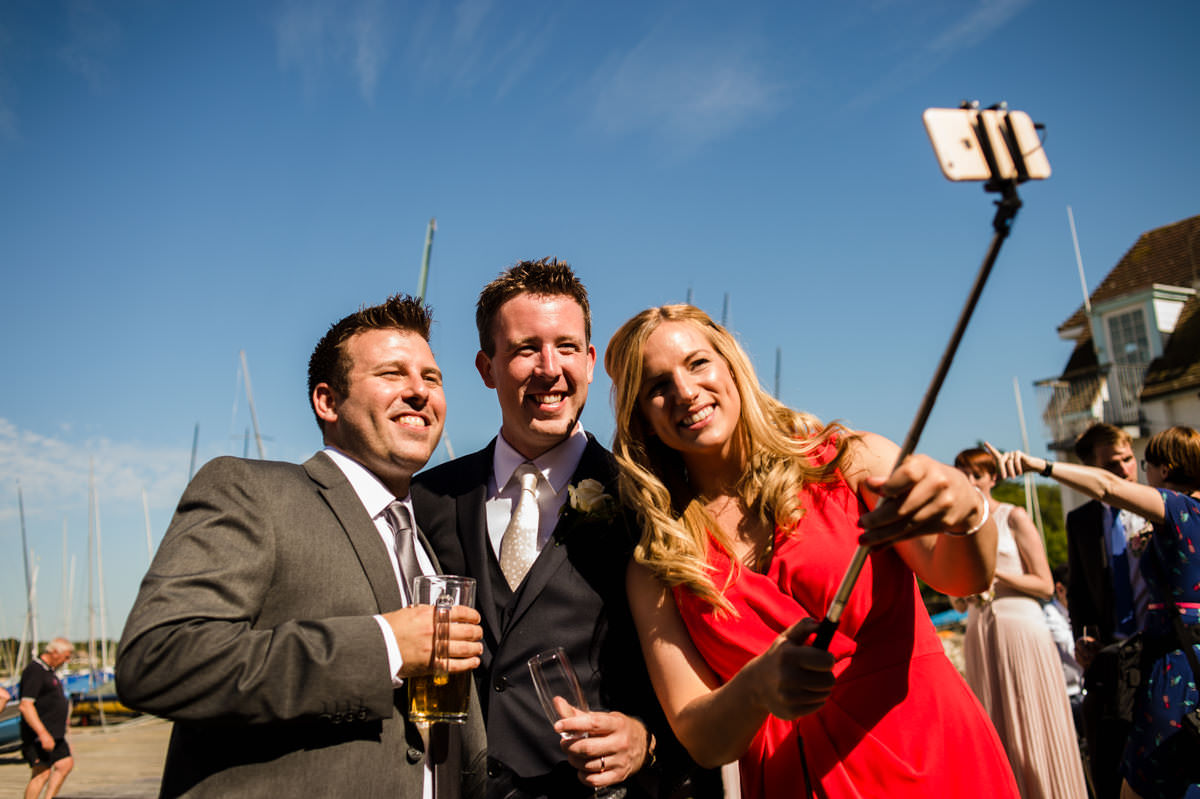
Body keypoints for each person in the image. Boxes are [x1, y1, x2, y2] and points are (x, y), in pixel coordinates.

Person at [605, 304, 1019, 799]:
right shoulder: (656, 563)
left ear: (732, 368)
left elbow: (964, 578)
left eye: (698, 364)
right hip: (796, 781)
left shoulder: (850, 459)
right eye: (657, 386)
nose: (685, 392)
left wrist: (967, 512)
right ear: (644, 419)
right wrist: (757, 686)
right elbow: (701, 738)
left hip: (933, 754)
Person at [116, 295, 487, 798]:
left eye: (432, 377)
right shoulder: (249, 490)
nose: (420, 392)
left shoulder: (423, 541)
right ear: (327, 401)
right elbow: (157, 659)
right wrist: (384, 648)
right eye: (392, 374)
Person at [412, 260, 717, 799]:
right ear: (487, 367)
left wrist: (645, 739)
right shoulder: (428, 500)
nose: (549, 368)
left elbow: (711, 672)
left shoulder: (651, 498)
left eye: (567, 347)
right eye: (526, 348)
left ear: (592, 360)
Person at [989, 427, 1200, 799]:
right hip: (1160, 656)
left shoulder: (1178, 509)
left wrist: (1040, 465)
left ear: (1164, 471)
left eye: (1142, 463)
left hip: (1176, 665)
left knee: (1139, 788)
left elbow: (1107, 488)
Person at [951, 448, 1087, 798]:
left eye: (976, 475)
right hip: (980, 629)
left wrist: (990, 571)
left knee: (1032, 718)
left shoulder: (1014, 517)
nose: (970, 482)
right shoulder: (957, 531)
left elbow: (1043, 584)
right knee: (996, 725)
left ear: (992, 478)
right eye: (962, 475)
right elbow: (957, 603)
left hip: (1020, 627)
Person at [1062, 423, 1150, 799]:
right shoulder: (1079, 521)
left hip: (1159, 646)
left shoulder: (1158, 508)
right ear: (1093, 471)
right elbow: (1079, 589)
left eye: (1129, 460)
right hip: (1109, 656)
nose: (1126, 471)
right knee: (1107, 761)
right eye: (1113, 465)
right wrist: (1082, 637)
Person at [19, 638, 74, 799]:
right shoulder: (34, 670)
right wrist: (42, 733)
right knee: (41, 773)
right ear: (55, 652)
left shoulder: (48, 671)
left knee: (65, 764)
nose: (67, 660)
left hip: (55, 733)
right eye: (66, 656)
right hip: (39, 734)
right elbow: (25, 705)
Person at [1042, 564, 1085, 731]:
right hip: (1068, 695)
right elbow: (1074, 652)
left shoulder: (1069, 613)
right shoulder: (1050, 618)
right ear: (1060, 589)